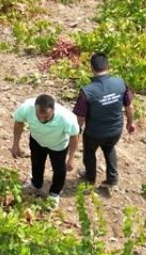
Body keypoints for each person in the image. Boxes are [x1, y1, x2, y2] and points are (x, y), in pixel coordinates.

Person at [72, 53, 136, 187]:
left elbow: (80, 117)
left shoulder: (87, 91)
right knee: (109, 148)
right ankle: (112, 179)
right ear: (108, 66)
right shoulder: (120, 83)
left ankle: (90, 177)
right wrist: (130, 123)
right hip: (116, 130)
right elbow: (129, 105)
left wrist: (76, 133)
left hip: (94, 133)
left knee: (89, 152)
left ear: (92, 68)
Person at [11, 94, 80, 207]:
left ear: (53, 110)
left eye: (46, 116)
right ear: (35, 108)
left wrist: (71, 158)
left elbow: (74, 136)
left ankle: (54, 193)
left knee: (59, 170)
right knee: (36, 163)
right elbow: (18, 122)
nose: (42, 119)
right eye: (39, 116)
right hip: (37, 141)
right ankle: (36, 185)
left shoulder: (66, 118)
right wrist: (15, 144)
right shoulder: (27, 108)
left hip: (58, 146)